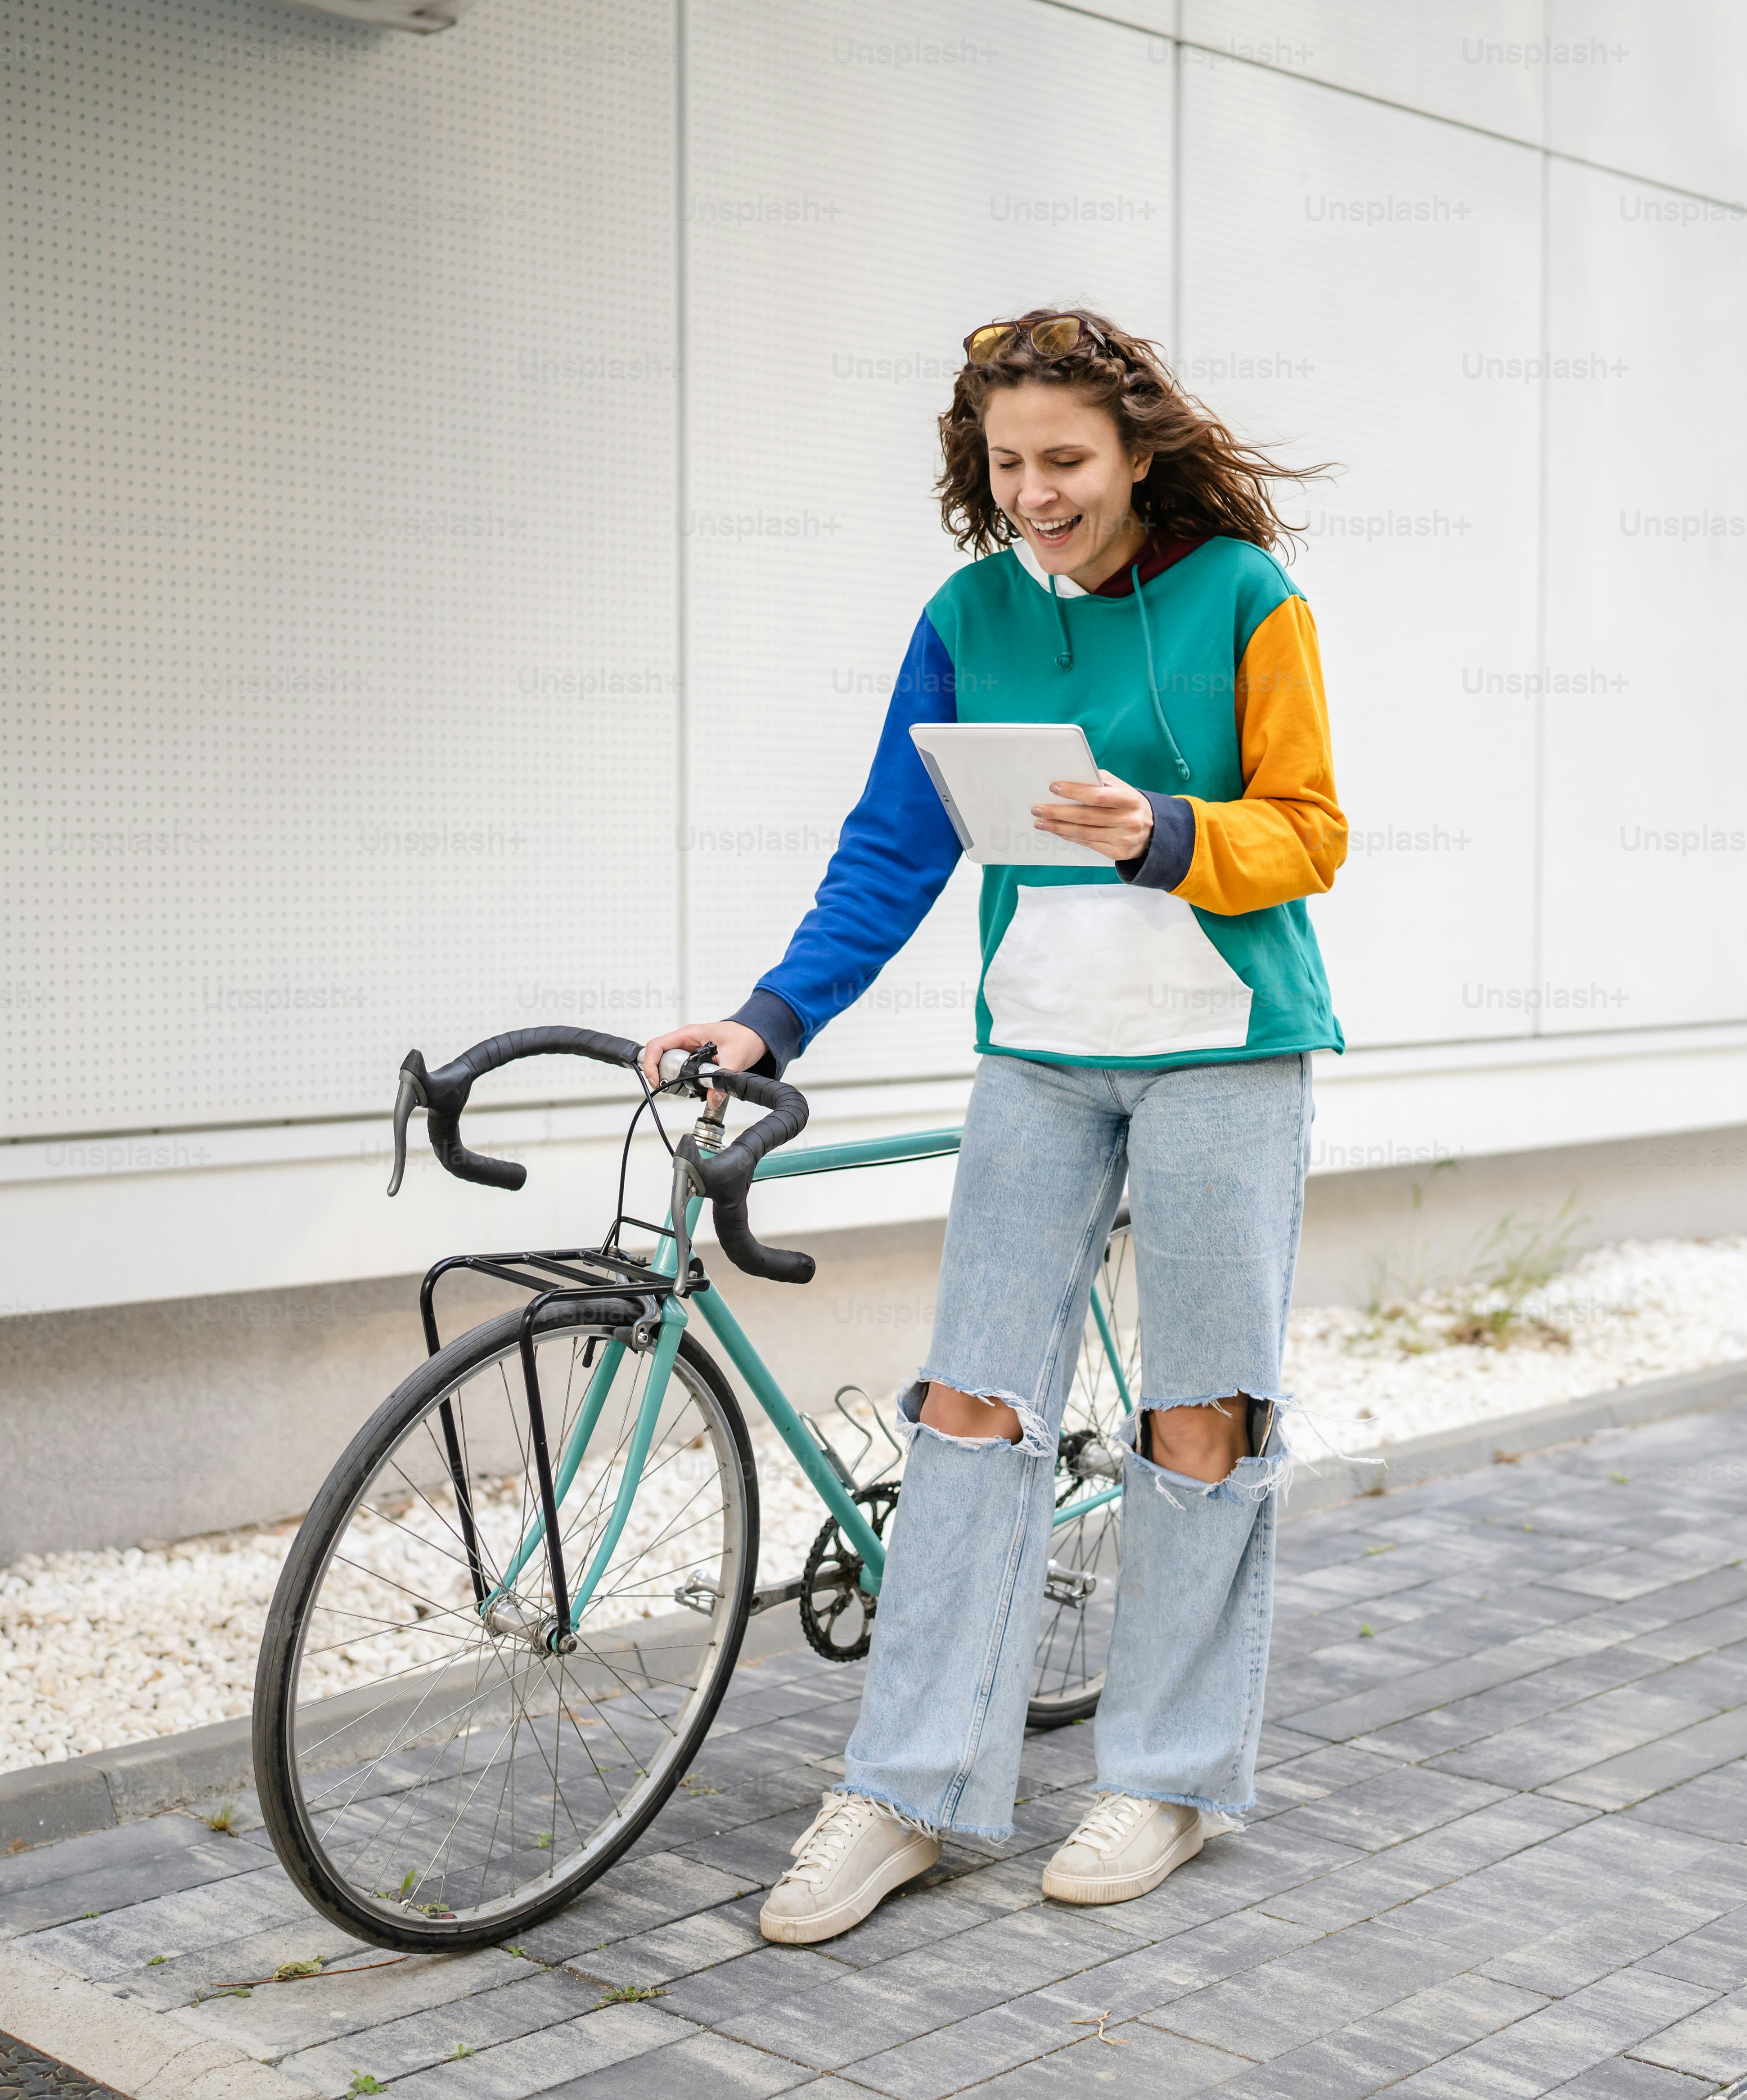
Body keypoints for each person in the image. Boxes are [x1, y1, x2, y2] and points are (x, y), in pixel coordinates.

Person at [639, 306, 1345, 1946]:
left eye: (1066, 461)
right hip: (1038, 1050)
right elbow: (893, 846)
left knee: (1197, 1413)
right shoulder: (967, 616)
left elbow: (1308, 831)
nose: (1034, 491)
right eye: (1007, 461)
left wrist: (1165, 829)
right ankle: (911, 1787)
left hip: (1227, 1047)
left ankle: (1159, 1772)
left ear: (1138, 451)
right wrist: (769, 1015)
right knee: (969, 1410)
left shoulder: (1249, 598)